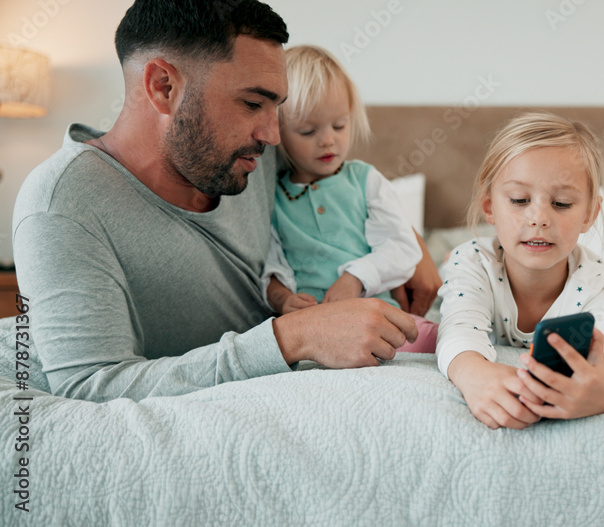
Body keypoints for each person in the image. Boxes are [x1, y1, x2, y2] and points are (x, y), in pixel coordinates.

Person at [10, 0, 439, 402]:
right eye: (252, 103)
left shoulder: (253, 154)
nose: (272, 135)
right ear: (163, 87)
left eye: (277, 109)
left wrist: (414, 242)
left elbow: (343, 184)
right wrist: (291, 338)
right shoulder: (61, 206)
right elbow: (90, 386)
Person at [437, 112, 604, 430]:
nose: (539, 218)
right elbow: (459, 332)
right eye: (519, 199)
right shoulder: (473, 263)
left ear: (589, 215)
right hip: (467, 266)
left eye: (562, 203)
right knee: (452, 269)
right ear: (489, 207)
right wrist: (474, 374)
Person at [264, 45, 436, 353]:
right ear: (277, 130)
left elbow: (401, 248)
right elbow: (271, 266)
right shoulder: (273, 197)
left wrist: (355, 278)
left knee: (433, 338)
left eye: (339, 125)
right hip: (315, 331)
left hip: (379, 315)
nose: (328, 139)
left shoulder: (365, 181)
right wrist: (282, 298)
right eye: (307, 130)